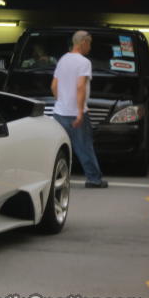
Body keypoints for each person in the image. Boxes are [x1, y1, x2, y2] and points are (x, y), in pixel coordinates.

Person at [51, 30, 107, 188]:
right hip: (75, 113)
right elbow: (81, 86)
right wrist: (80, 111)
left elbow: (54, 86)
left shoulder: (62, 59)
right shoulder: (84, 62)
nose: (90, 47)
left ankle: (55, 177)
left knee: (60, 148)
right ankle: (94, 179)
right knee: (84, 146)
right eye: (89, 43)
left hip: (59, 112)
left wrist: (61, 101)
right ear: (83, 42)